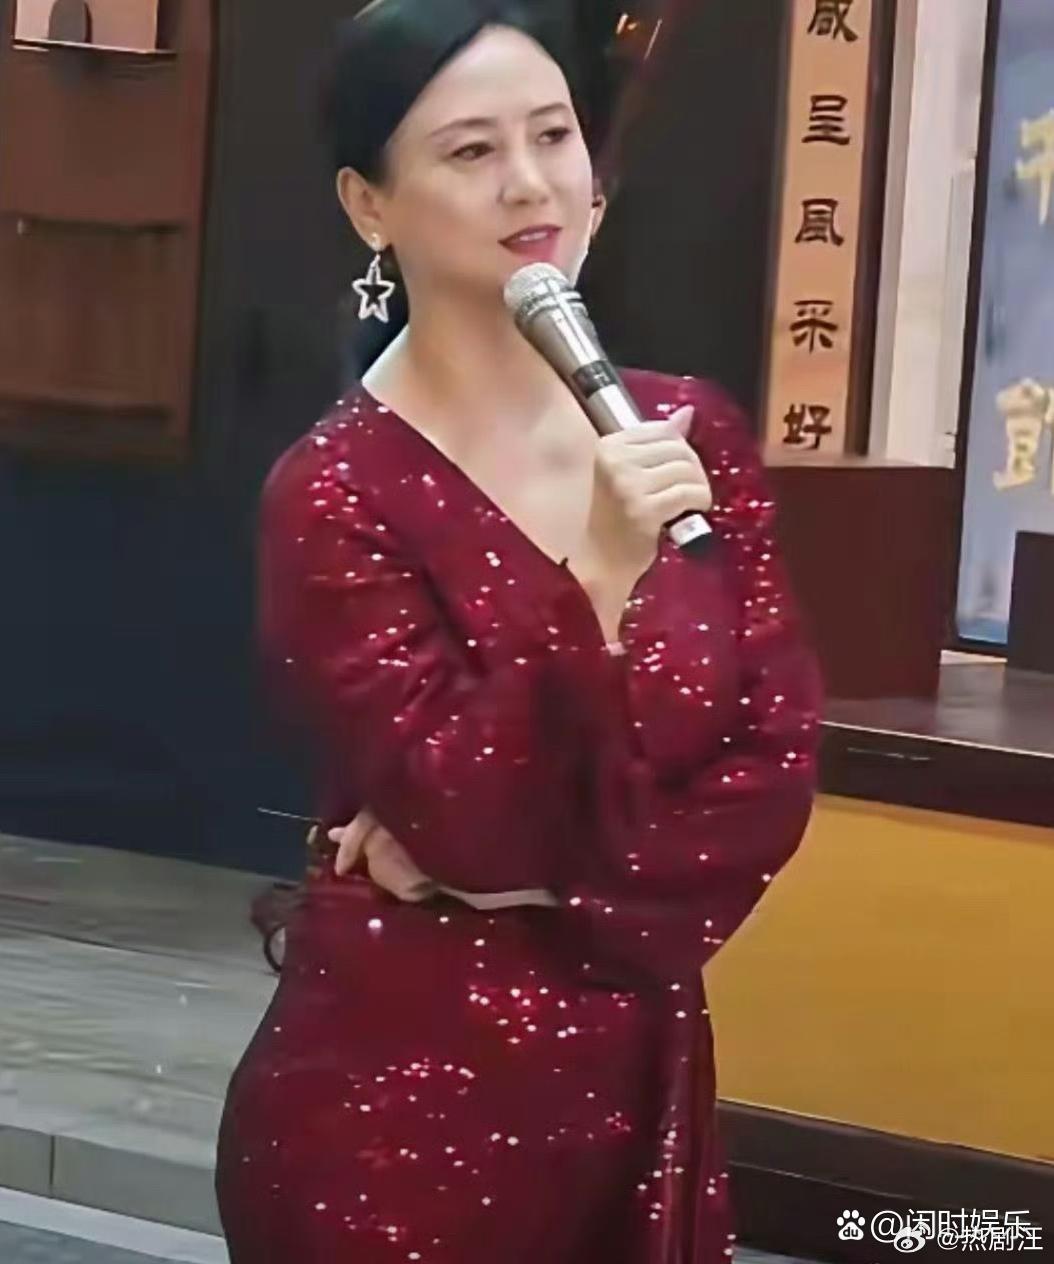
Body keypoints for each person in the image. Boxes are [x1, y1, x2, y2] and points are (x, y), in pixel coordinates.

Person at [215, 2, 822, 1261]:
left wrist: (544, 881)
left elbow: (769, 775)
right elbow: (466, 811)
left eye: (553, 135)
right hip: (399, 1112)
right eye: (470, 150)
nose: (531, 182)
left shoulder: (689, 435)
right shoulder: (333, 493)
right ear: (368, 206)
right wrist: (597, 574)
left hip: (637, 1084)